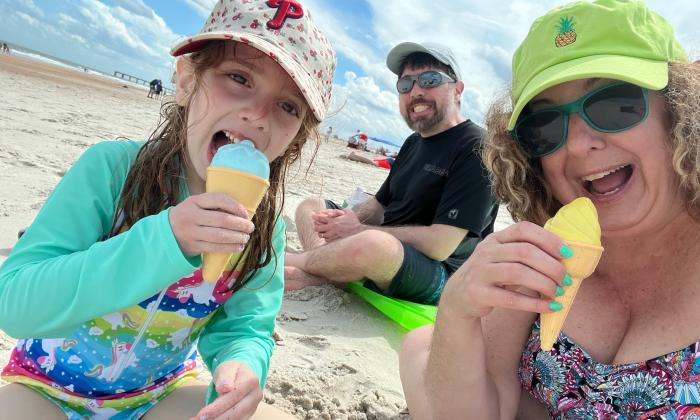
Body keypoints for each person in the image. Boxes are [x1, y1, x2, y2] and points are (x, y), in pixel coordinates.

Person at [0, 0, 335, 418]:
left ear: (296, 137)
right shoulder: (111, 170)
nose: (259, 114)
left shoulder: (265, 229)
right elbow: (13, 303)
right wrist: (164, 240)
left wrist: (242, 365)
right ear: (186, 81)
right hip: (46, 386)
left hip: (158, 394)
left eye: (288, 106)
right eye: (238, 77)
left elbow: (246, 326)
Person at [399, 1, 700, 418]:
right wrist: (455, 309)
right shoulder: (541, 258)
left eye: (614, 104)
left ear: (680, 112)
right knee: (423, 344)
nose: (576, 145)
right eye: (545, 126)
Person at [285, 41, 498, 305]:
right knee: (311, 206)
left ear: (457, 90)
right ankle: (324, 270)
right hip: (378, 238)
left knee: (374, 246)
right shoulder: (413, 142)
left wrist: (355, 231)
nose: (416, 91)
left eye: (430, 80)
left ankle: (296, 263)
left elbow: (441, 245)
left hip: (441, 273)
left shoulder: (478, 147)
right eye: (405, 84)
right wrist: (344, 220)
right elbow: (378, 205)